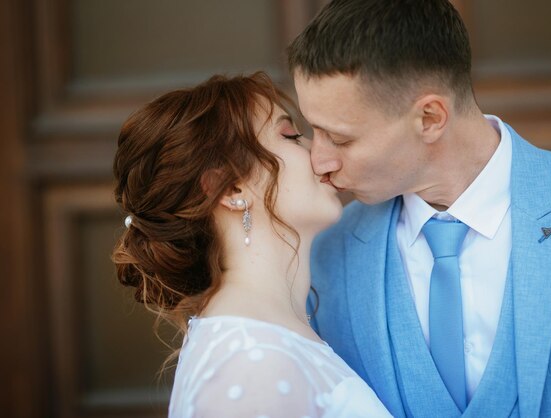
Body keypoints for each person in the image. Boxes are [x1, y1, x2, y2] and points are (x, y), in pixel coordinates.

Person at [287, 0, 551, 417]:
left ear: (430, 117)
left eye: (339, 139)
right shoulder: (322, 256)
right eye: (311, 130)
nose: (319, 162)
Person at [112, 72, 393, 417]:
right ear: (231, 190)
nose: (321, 154)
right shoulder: (251, 364)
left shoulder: (265, 338)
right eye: (291, 135)